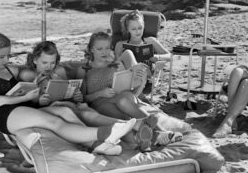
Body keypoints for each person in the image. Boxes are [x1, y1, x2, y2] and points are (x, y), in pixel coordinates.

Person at [0, 33, 136, 156]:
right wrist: (22, 98)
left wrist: (38, 81)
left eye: (8, 55)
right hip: (6, 114)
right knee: (54, 121)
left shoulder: (10, 69)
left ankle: (98, 145)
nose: (6, 60)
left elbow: (28, 75)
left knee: (65, 112)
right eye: (2, 56)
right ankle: (105, 132)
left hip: (25, 107)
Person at [24, 40, 155, 151]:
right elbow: (27, 105)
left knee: (90, 113)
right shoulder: (29, 76)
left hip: (71, 105)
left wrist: (77, 96)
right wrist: (40, 101)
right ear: (35, 60)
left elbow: (71, 93)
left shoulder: (59, 71)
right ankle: (133, 127)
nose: (49, 66)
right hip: (55, 110)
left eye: (52, 63)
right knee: (88, 115)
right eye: (45, 63)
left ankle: (137, 136)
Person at [78, 31, 182, 147]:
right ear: (91, 49)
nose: (104, 52)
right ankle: (156, 135)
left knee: (123, 100)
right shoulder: (84, 69)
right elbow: (82, 98)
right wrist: (100, 93)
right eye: (99, 49)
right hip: (101, 102)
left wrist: (141, 83)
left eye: (107, 48)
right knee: (126, 119)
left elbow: (134, 93)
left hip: (123, 96)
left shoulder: (115, 65)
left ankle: (161, 132)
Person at [114, 10, 171, 93]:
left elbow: (170, 56)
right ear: (127, 29)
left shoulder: (150, 41)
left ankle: (136, 89)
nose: (138, 31)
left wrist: (157, 57)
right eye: (133, 29)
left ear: (144, 26)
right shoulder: (120, 45)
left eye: (140, 28)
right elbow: (116, 66)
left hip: (145, 79)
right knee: (127, 55)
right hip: (127, 79)